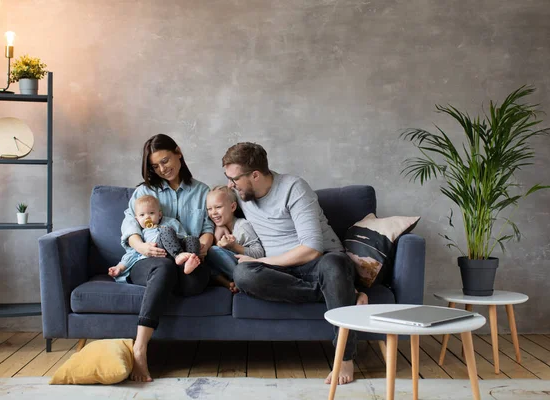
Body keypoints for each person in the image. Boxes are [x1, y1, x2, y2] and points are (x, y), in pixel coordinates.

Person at [222, 142, 368, 386]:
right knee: (244, 274)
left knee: (333, 266)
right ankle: (342, 294)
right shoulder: (242, 194)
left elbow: (311, 249)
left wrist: (262, 260)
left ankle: (344, 357)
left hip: (320, 263)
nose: (230, 185)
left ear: (255, 175)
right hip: (281, 273)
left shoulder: (294, 188)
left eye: (233, 179)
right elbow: (219, 209)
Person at [121, 134, 214, 382]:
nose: (163, 169)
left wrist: (200, 249)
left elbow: (208, 229)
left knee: (194, 279)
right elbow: (130, 227)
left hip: (188, 261)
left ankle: (179, 270)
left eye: (165, 160)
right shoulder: (143, 192)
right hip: (148, 262)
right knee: (163, 267)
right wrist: (141, 247)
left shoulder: (201, 190)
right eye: (156, 166)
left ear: (178, 152)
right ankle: (140, 348)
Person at [109, 195, 201, 280]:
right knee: (166, 231)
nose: (147, 217)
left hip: (177, 247)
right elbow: (132, 254)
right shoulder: (142, 234)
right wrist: (119, 268)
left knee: (192, 238)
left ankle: (191, 261)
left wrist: (171, 234)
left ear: (159, 215)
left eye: (151, 213)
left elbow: (183, 236)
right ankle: (178, 255)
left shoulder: (171, 222)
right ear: (137, 219)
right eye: (142, 215)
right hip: (158, 253)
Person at [204, 185, 265, 293]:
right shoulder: (215, 228)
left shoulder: (242, 226)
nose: (213, 212)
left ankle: (238, 281)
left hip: (246, 268)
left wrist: (234, 246)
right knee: (203, 260)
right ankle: (229, 284)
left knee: (213, 251)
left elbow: (260, 253)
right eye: (209, 209)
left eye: (218, 207)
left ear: (232, 207)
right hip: (228, 273)